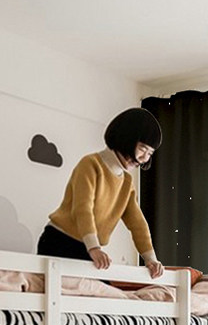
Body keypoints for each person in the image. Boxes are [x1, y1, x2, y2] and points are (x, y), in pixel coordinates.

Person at [38, 107, 164, 278]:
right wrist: (94, 247)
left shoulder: (126, 183)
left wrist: (150, 259)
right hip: (60, 240)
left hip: (87, 246)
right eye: (143, 149)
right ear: (126, 138)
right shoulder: (91, 165)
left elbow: (138, 224)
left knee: (101, 291)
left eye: (150, 153)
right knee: (86, 290)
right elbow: (83, 209)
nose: (145, 158)